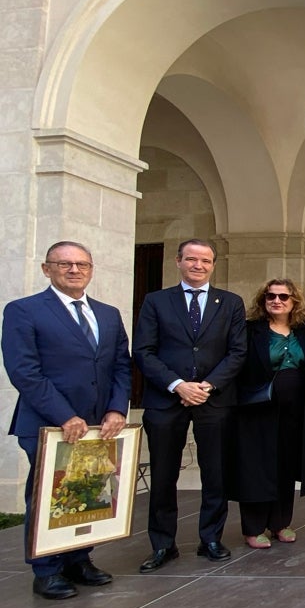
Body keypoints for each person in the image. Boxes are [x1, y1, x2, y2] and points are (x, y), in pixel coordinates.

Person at [2, 242, 131, 599]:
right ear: (47, 269)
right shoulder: (24, 311)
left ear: (91, 270)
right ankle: (45, 570)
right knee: (47, 496)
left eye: (82, 265)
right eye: (65, 264)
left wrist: (117, 409)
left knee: (88, 493)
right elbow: (24, 371)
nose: (74, 270)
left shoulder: (107, 314)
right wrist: (64, 415)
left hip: (99, 425)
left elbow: (121, 365)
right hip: (48, 425)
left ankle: (79, 559)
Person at [132, 238, 246, 572]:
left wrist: (208, 385)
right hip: (166, 399)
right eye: (192, 260)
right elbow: (144, 350)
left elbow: (237, 351)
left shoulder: (230, 303)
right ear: (178, 261)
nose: (198, 266)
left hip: (215, 400)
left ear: (213, 265)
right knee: (164, 474)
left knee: (216, 473)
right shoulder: (156, 301)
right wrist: (178, 385)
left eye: (206, 261)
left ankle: (211, 537)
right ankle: (163, 544)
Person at [230, 279, 305, 548]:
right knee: (257, 468)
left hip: (297, 411)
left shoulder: (304, 333)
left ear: (293, 301)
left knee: (286, 466)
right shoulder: (251, 331)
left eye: (284, 296)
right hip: (257, 412)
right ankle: (253, 527)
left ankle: (280, 523)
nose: (277, 301)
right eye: (271, 296)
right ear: (263, 301)